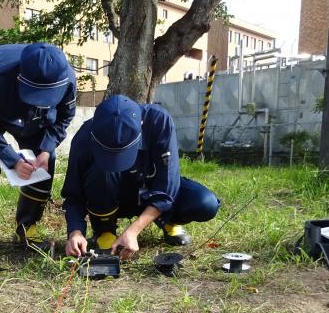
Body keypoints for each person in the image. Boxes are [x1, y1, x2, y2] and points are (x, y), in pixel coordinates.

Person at [62, 94, 221, 260]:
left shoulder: (159, 121)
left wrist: (134, 230)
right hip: (114, 197)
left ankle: (168, 220)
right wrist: (75, 232)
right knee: (100, 173)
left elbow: (168, 183)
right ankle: (105, 230)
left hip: (150, 190)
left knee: (205, 203)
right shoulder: (84, 136)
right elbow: (74, 194)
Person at [0, 43, 77, 257]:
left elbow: (64, 117)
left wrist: (45, 148)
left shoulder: (68, 79)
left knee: (46, 160)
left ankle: (27, 227)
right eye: (35, 93)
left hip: (37, 118)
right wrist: (12, 160)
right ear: (20, 79)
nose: (39, 99)